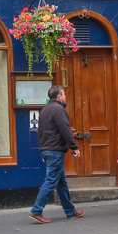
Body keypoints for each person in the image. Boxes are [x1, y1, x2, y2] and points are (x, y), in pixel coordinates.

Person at [29, 85, 84, 223]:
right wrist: (74, 147)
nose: (65, 96)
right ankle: (36, 211)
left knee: (61, 183)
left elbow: (40, 132)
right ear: (59, 96)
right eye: (64, 94)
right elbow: (65, 129)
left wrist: (42, 150)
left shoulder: (44, 110)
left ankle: (70, 211)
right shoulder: (59, 109)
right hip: (55, 151)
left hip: (48, 150)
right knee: (50, 181)